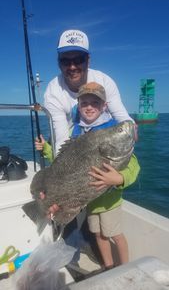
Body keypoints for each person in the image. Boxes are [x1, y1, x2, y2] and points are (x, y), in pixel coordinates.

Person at [37, 82, 140, 269]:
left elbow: (134, 167)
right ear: (78, 106)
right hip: (90, 201)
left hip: (110, 203)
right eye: (85, 103)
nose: (90, 106)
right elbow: (61, 160)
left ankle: (126, 268)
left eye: (95, 102)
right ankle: (108, 267)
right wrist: (45, 148)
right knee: (99, 235)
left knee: (115, 234)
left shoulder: (109, 130)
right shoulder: (74, 131)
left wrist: (119, 179)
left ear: (104, 106)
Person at [44, 29, 136, 155]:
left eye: (78, 60)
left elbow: (122, 117)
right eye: (65, 61)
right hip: (73, 147)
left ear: (88, 60)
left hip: (104, 145)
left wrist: (131, 128)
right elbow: (61, 139)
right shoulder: (53, 91)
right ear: (58, 62)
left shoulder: (104, 81)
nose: (72, 67)